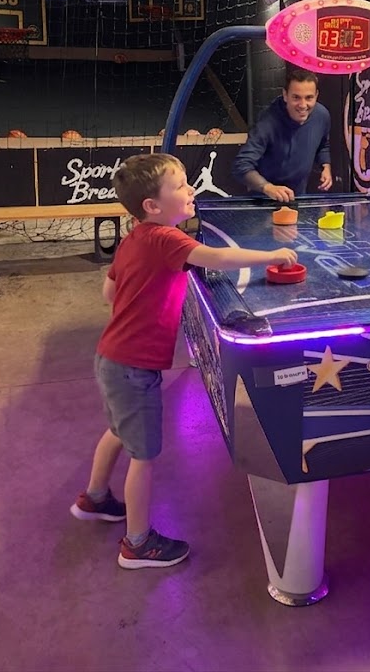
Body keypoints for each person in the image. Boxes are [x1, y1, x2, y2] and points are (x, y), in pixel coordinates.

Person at [70, 152, 297, 569]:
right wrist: (272, 257)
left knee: (118, 430)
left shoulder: (135, 238)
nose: (190, 189)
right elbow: (215, 258)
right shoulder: (166, 239)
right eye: (180, 186)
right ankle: (137, 544)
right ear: (152, 207)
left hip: (111, 358)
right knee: (144, 455)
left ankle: (95, 498)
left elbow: (108, 294)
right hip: (133, 368)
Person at [232, 68, 333, 202]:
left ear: (316, 95)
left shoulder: (322, 115)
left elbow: (323, 144)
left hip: (299, 199)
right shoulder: (267, 122)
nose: (303, 105)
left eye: (309, 98)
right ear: (285, 95)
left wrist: (326, 166)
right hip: (264, 201)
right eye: (296, 97)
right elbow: (240, 165)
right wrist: (268, 188)